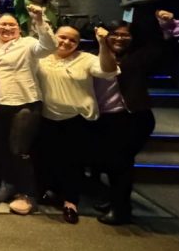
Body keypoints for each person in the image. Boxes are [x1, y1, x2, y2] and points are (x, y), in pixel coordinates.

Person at [36, 25, 118, 224]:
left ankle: (71, 202)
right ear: (54, 37)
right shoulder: (41, 56)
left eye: (72, 40)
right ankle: (52, 192)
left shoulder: (86, 59)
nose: (66, 42)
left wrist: (103, 45)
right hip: (47, 116)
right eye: (62, 37)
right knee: (48, 158)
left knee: (73, 163)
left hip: (78, 119)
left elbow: (109, 70)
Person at [90, 19, 161, 225]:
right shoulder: (95, 57)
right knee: (111, 164)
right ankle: (115, 201)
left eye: (125, 35)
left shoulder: (138, 58)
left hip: (132, 118)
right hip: (106, 118)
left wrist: (164, 26)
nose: (120, 38)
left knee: (121, 165)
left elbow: (160, 48)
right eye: (115, 34)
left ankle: (121, 210)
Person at [0, 6, 55, 215]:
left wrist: (39, 20)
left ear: (19, 29)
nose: (7, 28)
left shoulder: (28, 44)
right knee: (2, 148)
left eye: (12, 25)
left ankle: (28, 194)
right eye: (3, 24)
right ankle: (8, 184)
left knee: (19, 150)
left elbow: (49, 46)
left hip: (25, 102)